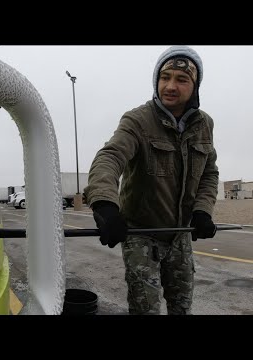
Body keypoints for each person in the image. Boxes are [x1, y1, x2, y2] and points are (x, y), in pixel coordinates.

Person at [84, 46, 219, 315]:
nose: (170, 86)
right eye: (165, 77)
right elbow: (109, 158)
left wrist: (203, 211)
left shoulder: (204, 124)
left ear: (195, 86)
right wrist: (104, 203)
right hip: (140, 233)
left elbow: (209, 173)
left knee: (182, 306)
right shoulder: (137, 120)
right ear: (156, 80)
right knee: (145, 309)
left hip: (180, 234)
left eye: (181, 79)